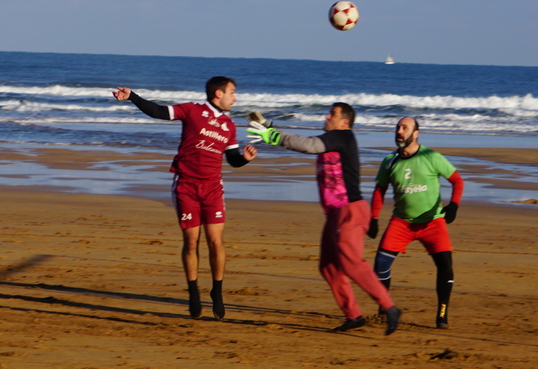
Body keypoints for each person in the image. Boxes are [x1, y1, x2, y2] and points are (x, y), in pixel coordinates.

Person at [112, 76, 257, 320]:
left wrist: (244, 159)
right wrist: (133, 97)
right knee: (191, 242)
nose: (235, 97)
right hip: (186, 185)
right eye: (232, 92)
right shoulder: (192, 110)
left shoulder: (229, 125)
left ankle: (217, 291)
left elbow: (232, 159)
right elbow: (159, 112)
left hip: (213, 188)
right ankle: (193, 291)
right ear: (218, 94)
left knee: (216, 241)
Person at [251, 102, 402, 334]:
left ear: (344, 122)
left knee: (351, 262)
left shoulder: (343, 137)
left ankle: (389, 307)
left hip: (350, 210)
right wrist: (271, 129)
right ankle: (354, 316)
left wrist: (273, 136)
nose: (326, 116)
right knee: (329, 267)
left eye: (332, 114)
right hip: (334, 214)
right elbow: (304, 141)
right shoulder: (332, 139)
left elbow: (309, 145)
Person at [369, 117, 465, 329]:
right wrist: (373, 218)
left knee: (446, 266)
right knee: (380, 265)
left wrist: (454, 205)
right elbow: (379, 190)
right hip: (401, 222)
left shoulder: (431, 157)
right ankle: (384, 309)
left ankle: (442, 315)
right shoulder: (390, 161)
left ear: (416, 133)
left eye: (405, 128)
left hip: (432, 223)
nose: (399, 131)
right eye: (398, 127)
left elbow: (457, 180)